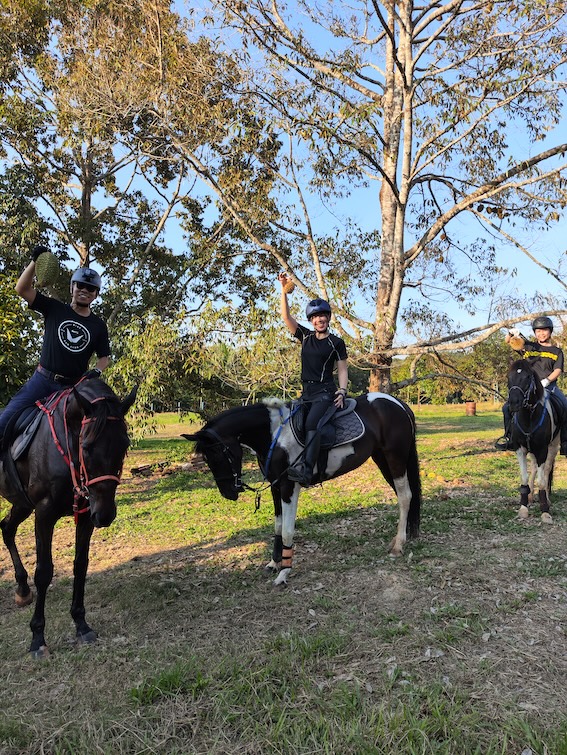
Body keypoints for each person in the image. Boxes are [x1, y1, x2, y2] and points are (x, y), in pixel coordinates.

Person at [0, 245, 110, 444]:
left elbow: (105, 357)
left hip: (72, 388)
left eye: (90, 288)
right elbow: (22, 289)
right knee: (4, 422)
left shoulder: (98, 325)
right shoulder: (54, 308)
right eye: (80, 286)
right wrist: (35, 262)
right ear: (72, 288)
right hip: (42, 381)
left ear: (96, 294)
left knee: (92, 435)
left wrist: (96, 371)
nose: (85, 290)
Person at [278, 272, 348, 486]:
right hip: (306, 393)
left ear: (328, 318)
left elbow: (343, 370)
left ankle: (308, 473)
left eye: (323, 315)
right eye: (315, 317)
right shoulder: (305, 337)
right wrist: (283, 290)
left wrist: (342, 391)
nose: (319, 319)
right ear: (311, 320)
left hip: (325, 392)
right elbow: (285, 318)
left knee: (311, 424)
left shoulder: (336, 342)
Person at [495, 316, 567, 454]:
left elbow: (558, 370)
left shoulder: (557, 351)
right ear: (535, 333)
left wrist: (546, 381)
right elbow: (508, 341)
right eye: (538, 331)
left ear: (550, 332)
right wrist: (511, 334)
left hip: (549, 386)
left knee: (565, 406)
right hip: (528, 387)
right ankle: (510, 439)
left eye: (544, 331)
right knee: (506, 408)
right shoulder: (528, 346)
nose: (541, 334)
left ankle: (564, 442)